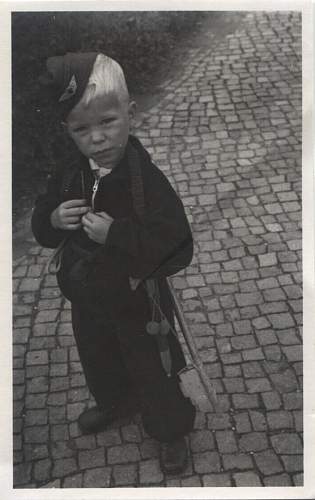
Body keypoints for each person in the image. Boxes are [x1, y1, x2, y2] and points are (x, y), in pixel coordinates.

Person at [32, 52, 196, 474]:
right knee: (98, 356)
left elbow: (177, 244)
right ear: (67, 131)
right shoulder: (71, 171)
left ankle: (170, 428)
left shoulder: (146, 180)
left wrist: (117, 234)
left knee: (153, 366)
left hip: (138, 302)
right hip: (89, 297)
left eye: (107, 122)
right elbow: (43, 220)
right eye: (81, 129)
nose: (97, 139)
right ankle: (117, 402)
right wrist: (52, 219)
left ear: (131, 112)